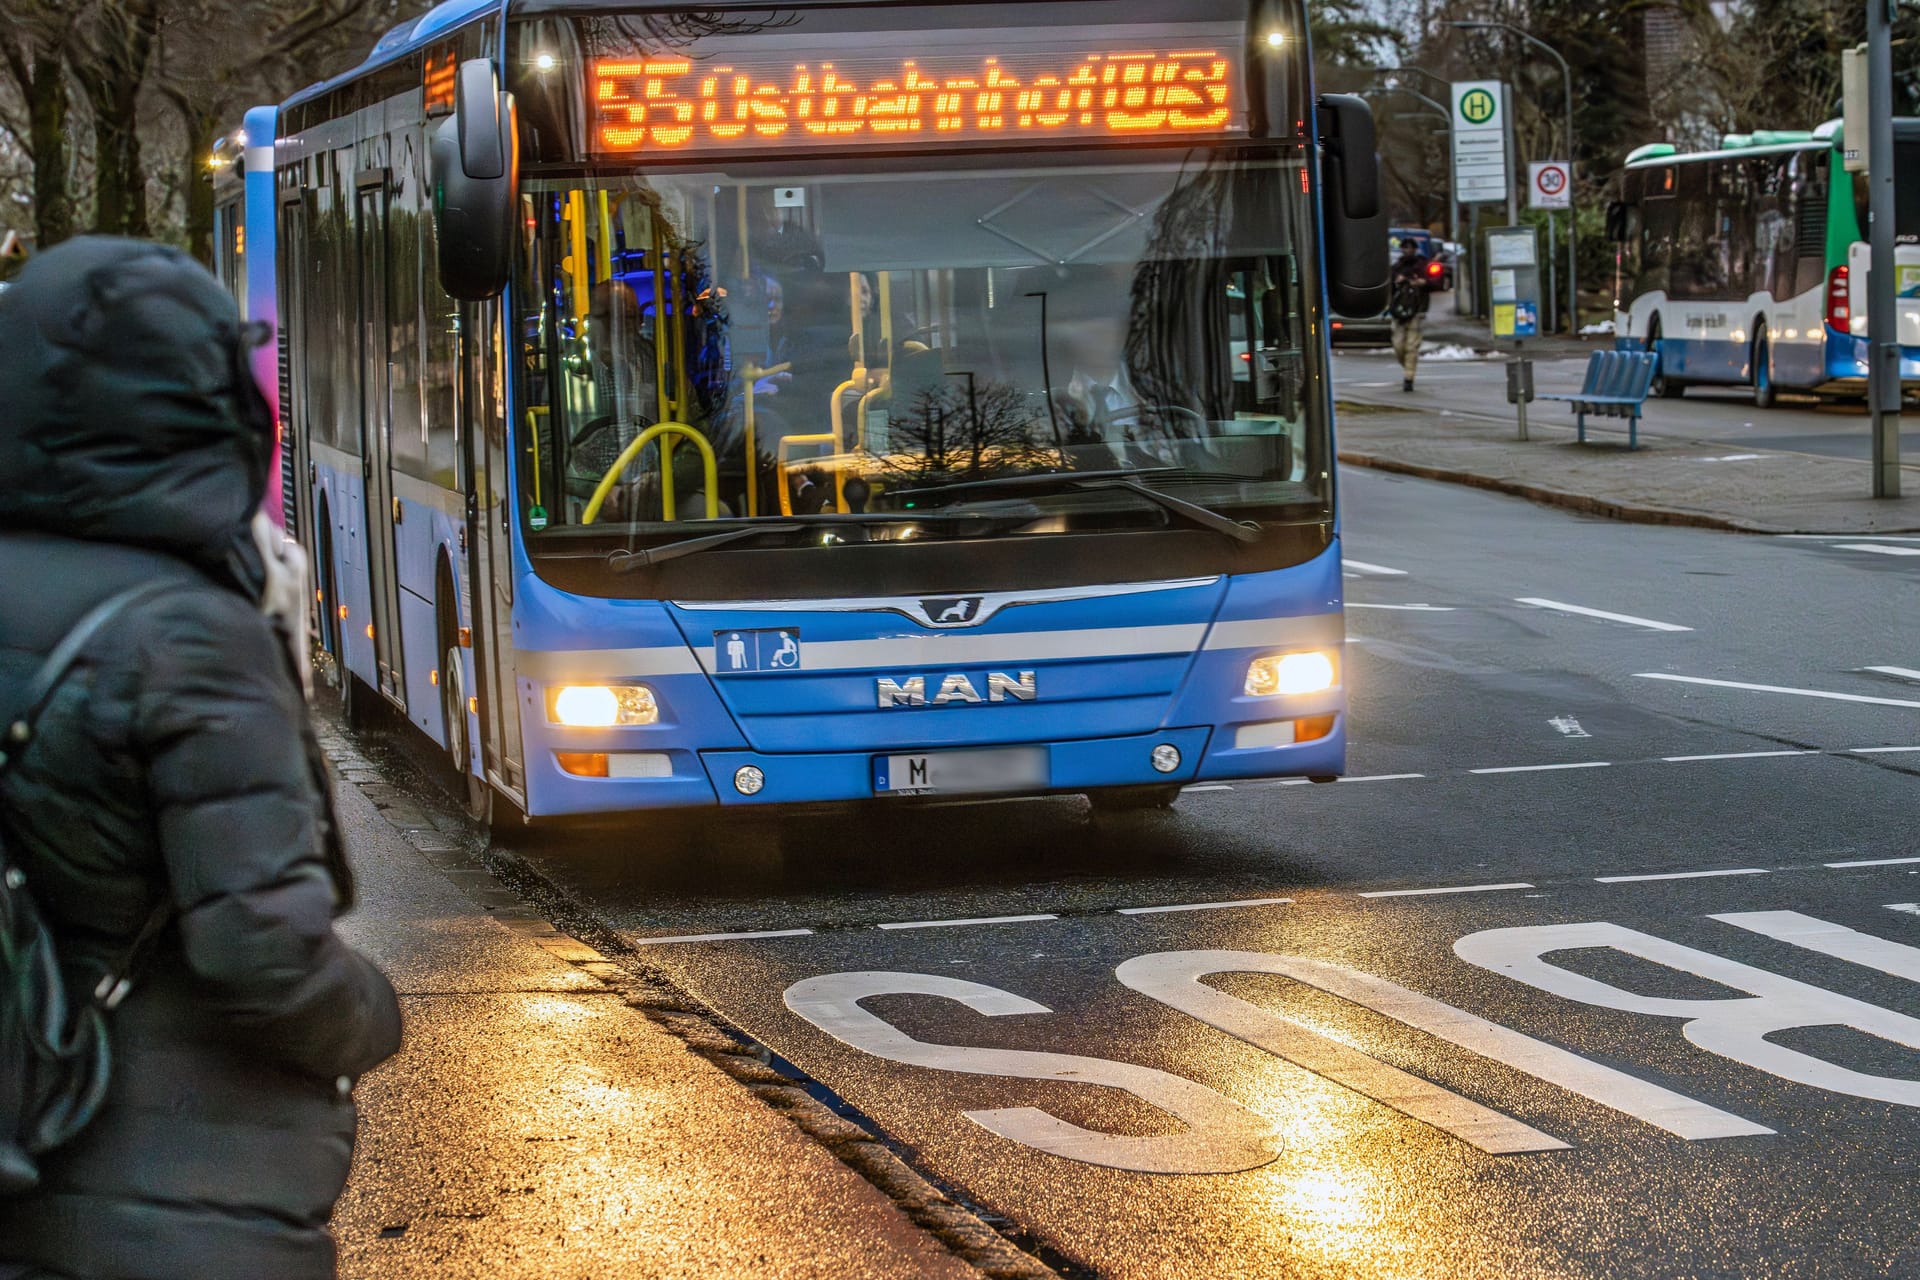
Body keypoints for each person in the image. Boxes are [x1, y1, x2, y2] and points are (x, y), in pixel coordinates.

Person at [0, 237, 402, 1279]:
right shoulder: (195, 633)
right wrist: (370, 1013)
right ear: (206, 401)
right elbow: (262, 957)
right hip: (180, 1197)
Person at [1389, 237, 1432, 392]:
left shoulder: (1422, 266)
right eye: (1405, 248)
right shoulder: (1396, 267)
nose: (1407, 251)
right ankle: (1408, 366)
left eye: (1410, 248)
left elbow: (1435, 282)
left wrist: (1422, 283)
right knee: (1398, 345)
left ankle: (1409, 377)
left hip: (1416, 311)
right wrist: (1397, 281)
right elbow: (1389, 289)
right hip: (1399, 312)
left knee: (1411, 346)